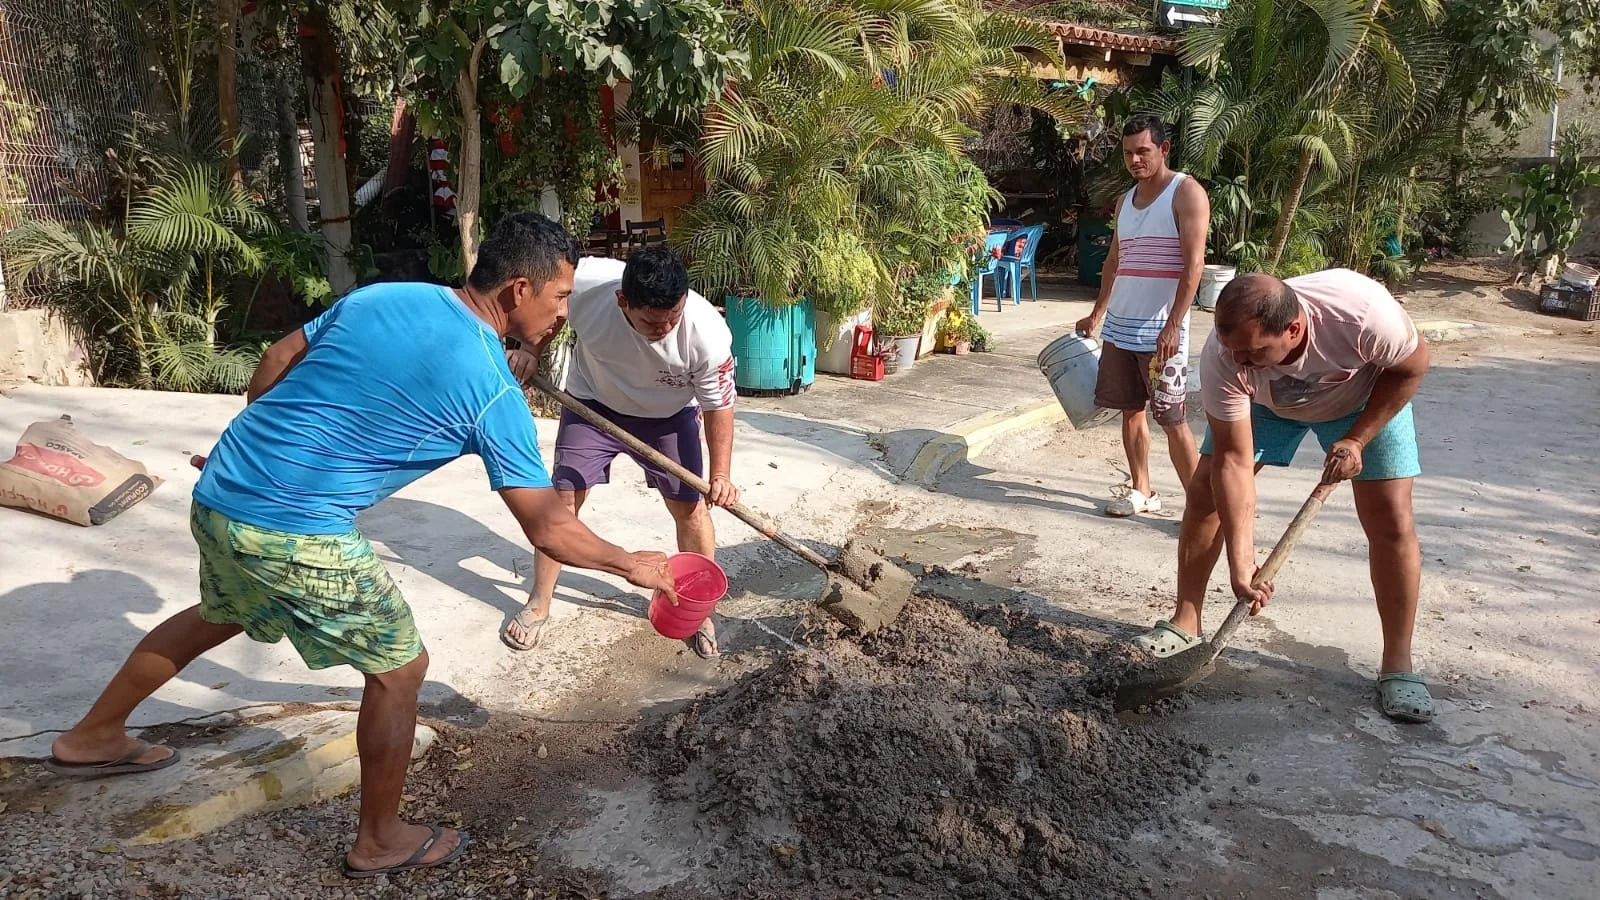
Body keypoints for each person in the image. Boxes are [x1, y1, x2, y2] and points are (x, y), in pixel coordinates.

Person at [44, 213, 679, 877]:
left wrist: (261, 446)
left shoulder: (390, 295)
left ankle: (93, 736)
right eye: (558, 301)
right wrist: (629, 562)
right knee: (401, 667)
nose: (562, 317)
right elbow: (549, 527)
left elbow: (277, 359)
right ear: (519, 291)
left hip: (226, 491)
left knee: (222, 610)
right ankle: (379, 840)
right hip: (292, 528)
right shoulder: (491, 389)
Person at [1133, 269, 1434, 723]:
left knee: (1391, 520)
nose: (1241, 359)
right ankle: (1186, 622)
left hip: (1361, 401)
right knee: (1205, 494)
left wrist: (1357, 439)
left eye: (1254, 351)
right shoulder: (1227, 358)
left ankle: (1398, 665)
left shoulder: (1363, 314)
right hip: (1268, 404)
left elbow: (1412, 366)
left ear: (1293, 329)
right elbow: (1234, 461)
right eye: (1234, 349)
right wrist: (1243, 563)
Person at [502, 246, 739, 659]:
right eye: (652, 321)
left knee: (691, 510)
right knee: (561, 503)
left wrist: (721, 474)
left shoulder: (709, 334)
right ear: (622, 301)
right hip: (592, 404)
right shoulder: (586, 285)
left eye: (673, 317)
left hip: (668, 415)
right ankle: (539, 603)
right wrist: (531, 352)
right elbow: (549, 311)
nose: (665, 328)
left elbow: (718, 405)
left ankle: (698, 612)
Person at [1076, 114, 1210, 518]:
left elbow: (1194, 266)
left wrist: (1173, 325)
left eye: (1143, 152)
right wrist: (1098, 312)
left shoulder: (1186, 193)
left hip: (1162, 334)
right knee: (1130, 410)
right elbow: (1115, 261)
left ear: (1164, 150)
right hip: (1120, 328)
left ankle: (1200, 509)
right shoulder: (1125, 201)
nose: (1135, 160)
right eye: (1128, 153)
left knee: (1172, 418)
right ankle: (1142, 491)